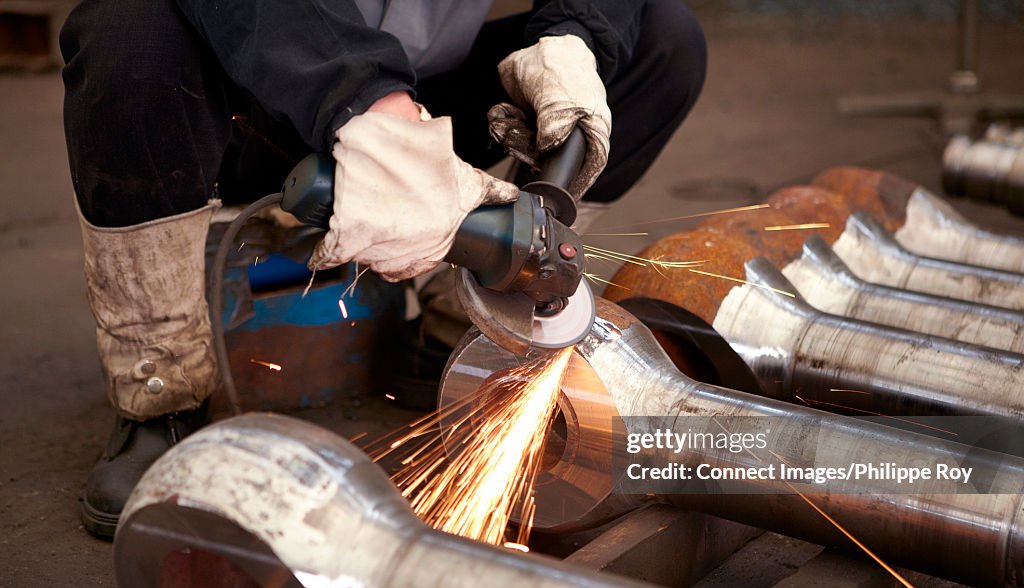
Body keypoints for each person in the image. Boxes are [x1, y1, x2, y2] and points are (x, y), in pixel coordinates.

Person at [60, 0, 707, 538]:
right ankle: (159, 391)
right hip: (249, 85)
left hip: (431, 103)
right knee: (130, 32)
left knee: (662, 39)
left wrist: (575, 37)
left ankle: (471, 330)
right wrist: (368, 105)